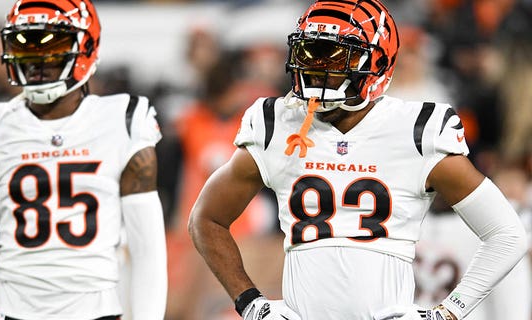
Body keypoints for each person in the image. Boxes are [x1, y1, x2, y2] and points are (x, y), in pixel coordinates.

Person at [187, 1, 528, 320]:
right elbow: (206, 219)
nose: (314, 69)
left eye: (333, 56)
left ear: (377, 63)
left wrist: (447, 312)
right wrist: (251, 305)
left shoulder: (417, 131)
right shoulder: (278, 123)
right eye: (308, 52)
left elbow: (507, 234)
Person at [0, 1, 167, 319]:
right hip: (11, 310)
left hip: (95, 312)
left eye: (53, 45)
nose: (38, 59)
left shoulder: (123, 120)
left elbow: (148, 252)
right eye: (25, 47)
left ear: (87, 45)